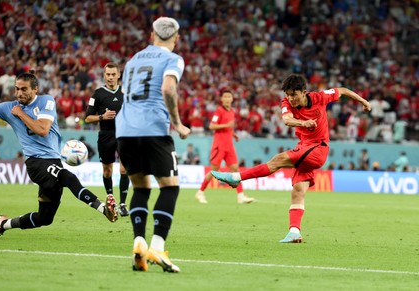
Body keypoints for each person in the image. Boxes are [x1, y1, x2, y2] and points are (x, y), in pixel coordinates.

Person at [212, 74, 371, 243]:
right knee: (297, 191)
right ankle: (295, 231)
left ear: (304, 92)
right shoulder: (286, 103)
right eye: (288, 94)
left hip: (318, 148)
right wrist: (304, 123)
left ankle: (237, 178)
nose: (290, 98)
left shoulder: (319, 97)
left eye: (294, 94)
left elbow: (343, 90)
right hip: (303, 147)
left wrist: (364, 102)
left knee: (279, 160)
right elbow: (287, 120)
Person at [0, 72, 118, 239]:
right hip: (35, 163)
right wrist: (17, 112)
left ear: (35, 89)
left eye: (24, 89)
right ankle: (103, 209)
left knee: (44, 219)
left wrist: (20, 114)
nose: (19, 93)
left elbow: (42, 130)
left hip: (53, 161)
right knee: (68, 177)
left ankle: (3, 224)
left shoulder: (46, 101)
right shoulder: (8, 108)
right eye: (17, 89)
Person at [116, 17, 190, 272]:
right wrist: (178, 123)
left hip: (124, 131)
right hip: (154, 130)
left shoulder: (132, 60)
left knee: (141, 188)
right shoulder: (173, 59)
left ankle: (139, 241)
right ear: (176, 37)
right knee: (169, 188)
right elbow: (168, 89)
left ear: (151, 35)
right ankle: (157, 246)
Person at [85, 62, 130, 217]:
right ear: (104, 75)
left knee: (124, 168)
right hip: (106, 135)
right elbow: (87, 118)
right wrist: (101, 117)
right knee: (107, 171)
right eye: (108, 74)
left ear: (118, 75)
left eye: (113, 74)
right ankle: (111, 198)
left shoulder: (126, 93)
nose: (110, 77)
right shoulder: (97, 94)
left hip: (124, 135)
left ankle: (123, 204)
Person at [195, 89, 255, 204]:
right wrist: (227, 125)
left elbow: (229, 127)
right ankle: (200, 192)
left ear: (232, 99)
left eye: (229, 96)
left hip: (229, 145)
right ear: (222, 99)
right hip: (219, 145)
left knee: (235, 169)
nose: (227, 99)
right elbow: (212, 126)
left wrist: (234, 134)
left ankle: (240, 196)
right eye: (225, 97)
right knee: (214, 170)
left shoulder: (232, 111)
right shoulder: (219, 111)